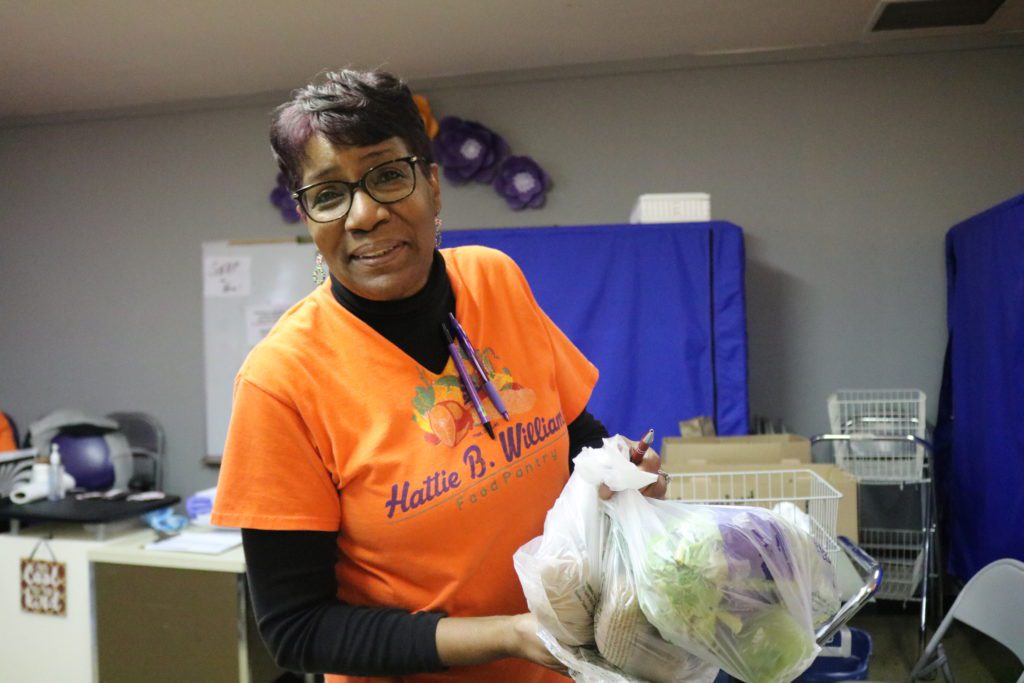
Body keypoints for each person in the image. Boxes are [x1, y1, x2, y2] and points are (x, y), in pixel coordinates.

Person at [211, 69, 669, 683]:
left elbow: (571, 436)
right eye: (328, 195)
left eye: (389, 176)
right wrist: (507, 636)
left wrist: (621, 475)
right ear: (308, 218)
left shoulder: (495, 279)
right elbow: (298, 628)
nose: (365, 214)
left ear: (432, 182)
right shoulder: (281, 381)